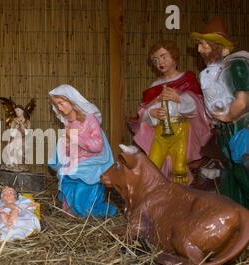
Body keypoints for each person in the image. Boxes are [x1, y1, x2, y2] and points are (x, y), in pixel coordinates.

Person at [129, 40, 211, 184]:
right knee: (153, 164)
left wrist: (179, 98)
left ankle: (180, 196)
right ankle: (157, 196)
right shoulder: (155, 86)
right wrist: (151, 114)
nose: (160, 62)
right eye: (155, 60)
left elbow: (197, 106)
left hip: (181, 131)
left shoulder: (187, 79)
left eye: (163, 56)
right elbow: (143, 112)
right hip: (160, 132)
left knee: (179, 167)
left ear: (174, 57)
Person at [191, 16, 249, 208]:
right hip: (225, 132)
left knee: (243, 174)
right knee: (230, 177)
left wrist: (227, 116)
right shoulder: (214, 72)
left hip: (239, 130)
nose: (199, 50)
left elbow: (242, 101)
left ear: (219, 47)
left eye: (204, 45)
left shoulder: (236, 64)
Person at [48, 84, 116, 218]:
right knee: (65, 173)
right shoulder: (68, 124)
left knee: (80, 192)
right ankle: (72, 209)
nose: (59, 108)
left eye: (61, 103)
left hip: (93, 161)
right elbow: (69, 151)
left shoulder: (90, 119)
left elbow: (97, 145)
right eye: (57, 106)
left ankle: (86, 208)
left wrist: (74, 137)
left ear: (71, 100)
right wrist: (66, 145)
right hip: (77, 161)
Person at [3, 105, 31, 171]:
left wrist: (21, 124)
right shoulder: (14, 121)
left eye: (18, 110)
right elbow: (12, 132)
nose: (16, 112)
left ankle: (20, 165)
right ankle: (13, 165)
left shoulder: (27, 122)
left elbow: (26, 133)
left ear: (22, 111)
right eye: (15, 111)